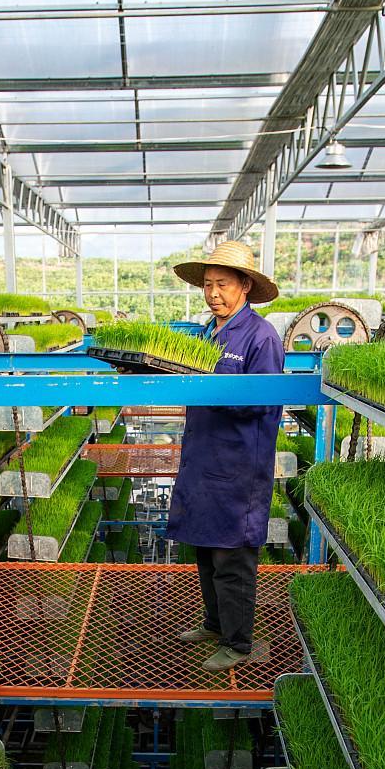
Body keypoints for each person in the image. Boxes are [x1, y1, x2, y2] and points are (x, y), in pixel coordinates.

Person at [166, 241, 284, 672]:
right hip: (202, 461)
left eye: (222, 284)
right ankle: (214, 624)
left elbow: (266, 403)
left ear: (245, 286)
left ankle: (238, 643)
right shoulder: (207, 333)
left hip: (237, 469)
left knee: (232, 558)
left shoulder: (260, 336)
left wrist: (213, 391)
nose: (213, 293)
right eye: (208, 285)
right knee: (205, 549)